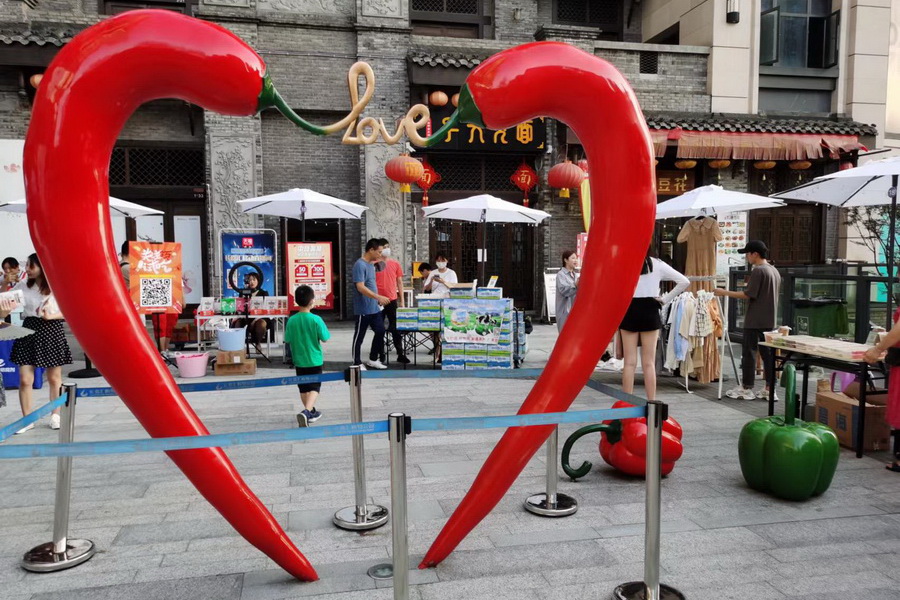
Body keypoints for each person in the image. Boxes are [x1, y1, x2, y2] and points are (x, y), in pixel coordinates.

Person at [0, 253, 72, 433]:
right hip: (29, 328)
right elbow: (4, 304)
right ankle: (27, 419)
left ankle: (56, 415)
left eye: (31, 266)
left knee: (54, 377)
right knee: (25, 379)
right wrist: (4, 286)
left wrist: (51, 316)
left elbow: (70, 310)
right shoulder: (24, 285)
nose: (27, 269)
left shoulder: (56, 284)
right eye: (27, 266)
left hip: (51, 328)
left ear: (43, 267)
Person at [715, 240, 782, 400]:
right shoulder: (774, 270)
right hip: (769, 320)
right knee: (768, 356)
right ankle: (769, 389)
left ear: (755, 254)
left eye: (747, 254)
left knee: (749, 354)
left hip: (754, 319)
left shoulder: (759, 271)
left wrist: (724, 292)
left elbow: (748, 294)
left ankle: (746, 387)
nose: (746, 257)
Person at [620, 251, 689, 401]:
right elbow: (684, 281)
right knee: (649, 363)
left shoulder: (624, 262)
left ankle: (626, 403)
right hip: (650, 309)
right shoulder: (657, 264)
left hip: (629, 309)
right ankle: (651, 402)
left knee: (629, 363)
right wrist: (665, 299)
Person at [285, 285, 331, 427]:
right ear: (312, 301)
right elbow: (325, 338)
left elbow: (287, 339)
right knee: (315, 388)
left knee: (303, 388)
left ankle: (310, 412)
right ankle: (306, 412)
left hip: (299, 360)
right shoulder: (316, 319)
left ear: (296, 301)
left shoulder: (291, 320)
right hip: (314, 359)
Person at [351, 238, 389, 369]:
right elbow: (360, 287)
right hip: (363, 308)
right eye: (379, 252)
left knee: (380, 331)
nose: (380, 254)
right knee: (359, 336)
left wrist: (377, 299)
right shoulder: (359, 265)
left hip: (374, 307)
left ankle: (373, 359)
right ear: (371, 250)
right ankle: (356, 362)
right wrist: (378, 296)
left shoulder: (371, 265)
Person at [375, 238, 409, 365]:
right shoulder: (374, 264)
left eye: (388, 246)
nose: (386, 249)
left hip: (392, 299)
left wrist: (402, 301)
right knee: (379, 328)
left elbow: (399, 282)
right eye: (384, 247)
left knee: (395, 327)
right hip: (378, 300)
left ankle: (400, 353)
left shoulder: (395, 264)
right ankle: (380, 354)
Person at [231, 272, 270, 349]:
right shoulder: (243, 292)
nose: (252, 282)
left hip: (259, 317)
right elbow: (240, 307)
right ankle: (238, 346)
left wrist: (256, 319)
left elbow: (266, 307)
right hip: (246, 318)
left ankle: (258, 343)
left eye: (254, 280)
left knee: (261, 324)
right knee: (238, 323)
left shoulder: (264, 293)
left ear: (258, 281)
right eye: (250, 280)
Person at [556, 250, 578, 332]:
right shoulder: (561, 274)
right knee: (565, 334)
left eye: (576, 258)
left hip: (574, 312)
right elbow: (564, 290)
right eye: (573, 258)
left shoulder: (575, 275)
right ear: (565, 260)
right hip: (564, 313)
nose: (575, 260)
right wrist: (575, 285)